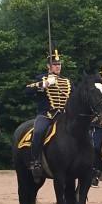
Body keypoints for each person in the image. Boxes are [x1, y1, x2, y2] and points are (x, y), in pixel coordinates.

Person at [25, 49, 73, 180]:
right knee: (39, 132)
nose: (58, 66)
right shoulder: (41, 78)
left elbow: (74, 98)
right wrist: (44, 84)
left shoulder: (67, 81)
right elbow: (27, 90)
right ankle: (35, 162)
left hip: (64, 117)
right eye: (55, 64)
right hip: (47, 115)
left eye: (59, 64)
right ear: (48, 66)